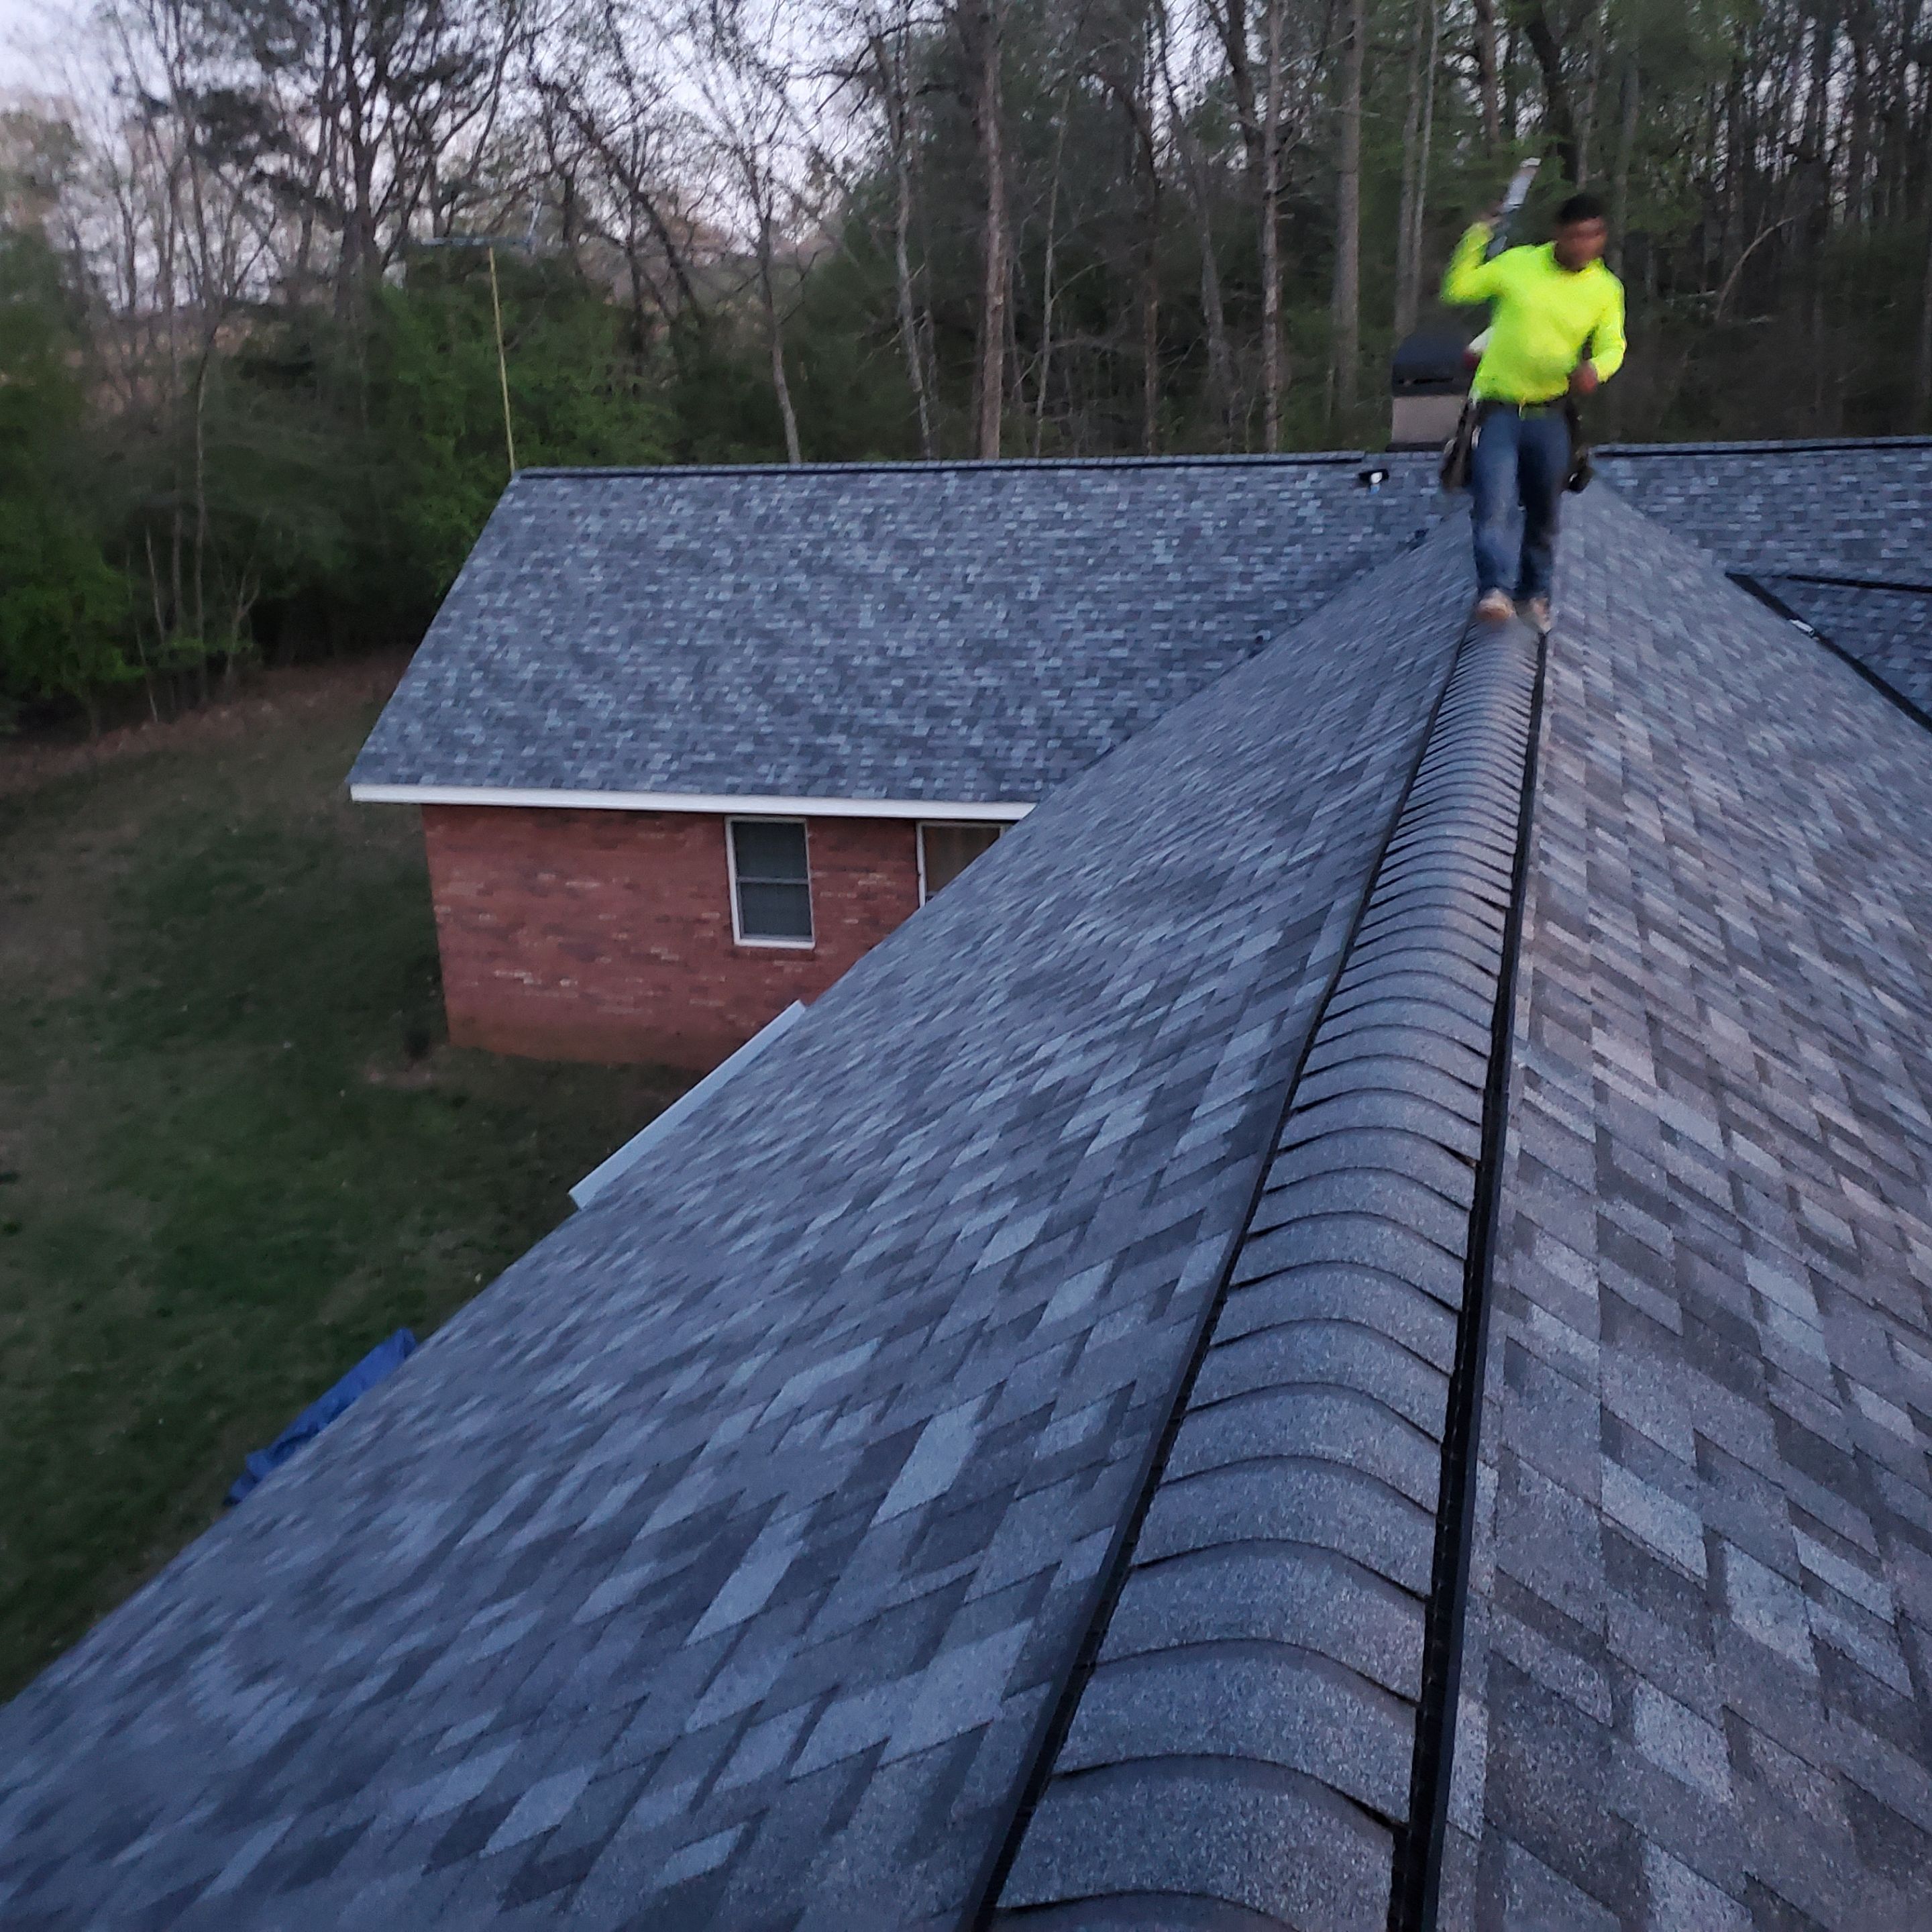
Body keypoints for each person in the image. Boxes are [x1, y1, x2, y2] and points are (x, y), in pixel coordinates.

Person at [1441, 189, 1626, 630]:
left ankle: (1535, 594)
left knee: (1544, 511)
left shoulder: (1604, 289)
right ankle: (1495, 590)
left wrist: (1596, 371)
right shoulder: (1520, 264)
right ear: (1560, 235)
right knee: (1494, 503)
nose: (1587, 245)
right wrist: (1478, 234)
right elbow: (1458, 288)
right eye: (1579, 235)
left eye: (1596, 235)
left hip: (1551, 412)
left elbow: (1613, 344)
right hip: (1499, 410)